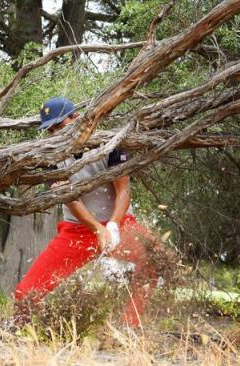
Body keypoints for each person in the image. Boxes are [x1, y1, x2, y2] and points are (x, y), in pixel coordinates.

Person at [11, 96, 158, 328]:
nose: (56, 133)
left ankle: (128, 329)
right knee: (25, 293)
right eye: (50, 129)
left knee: (154, 263)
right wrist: (97, 228)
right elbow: (71, 199)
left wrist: (112, 226)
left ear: (76, 118)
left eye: (60, 125)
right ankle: (14, 333)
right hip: (77, 231)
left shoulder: (110, 144)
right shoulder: (50, 156)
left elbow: (123, 189)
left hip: (120, 223)